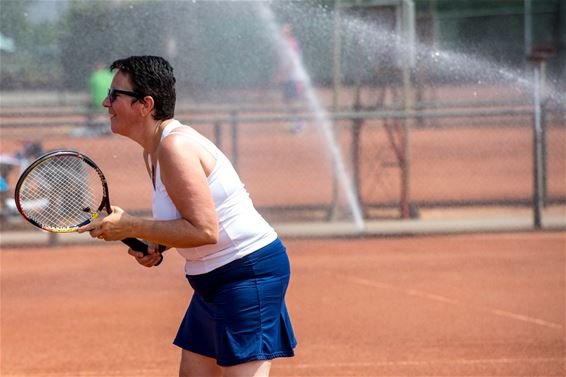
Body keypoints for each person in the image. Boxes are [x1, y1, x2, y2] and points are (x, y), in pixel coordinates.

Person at [77, 56, 296, 377]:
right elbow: (187, 219)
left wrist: (130, 225)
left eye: (115, 95)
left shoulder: (174, 148)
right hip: (212, 280)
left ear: (145, 104)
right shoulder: (152, 151)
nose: (105, 102)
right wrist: (155, 244)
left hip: (247, 273)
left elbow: (205, 230)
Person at [274, 24, 304, 133]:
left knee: (293, 101)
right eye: (282, 29)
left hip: (294, 77)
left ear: (289, 32)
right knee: (287, 101)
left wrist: (282, 75)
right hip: (287, 77)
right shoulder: (282, 44)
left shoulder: (292, 43)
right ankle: (295, 122)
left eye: (285, 29)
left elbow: (293, 62)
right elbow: (282, 62)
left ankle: (299, 124)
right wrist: (280, 74)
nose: (282, 31)